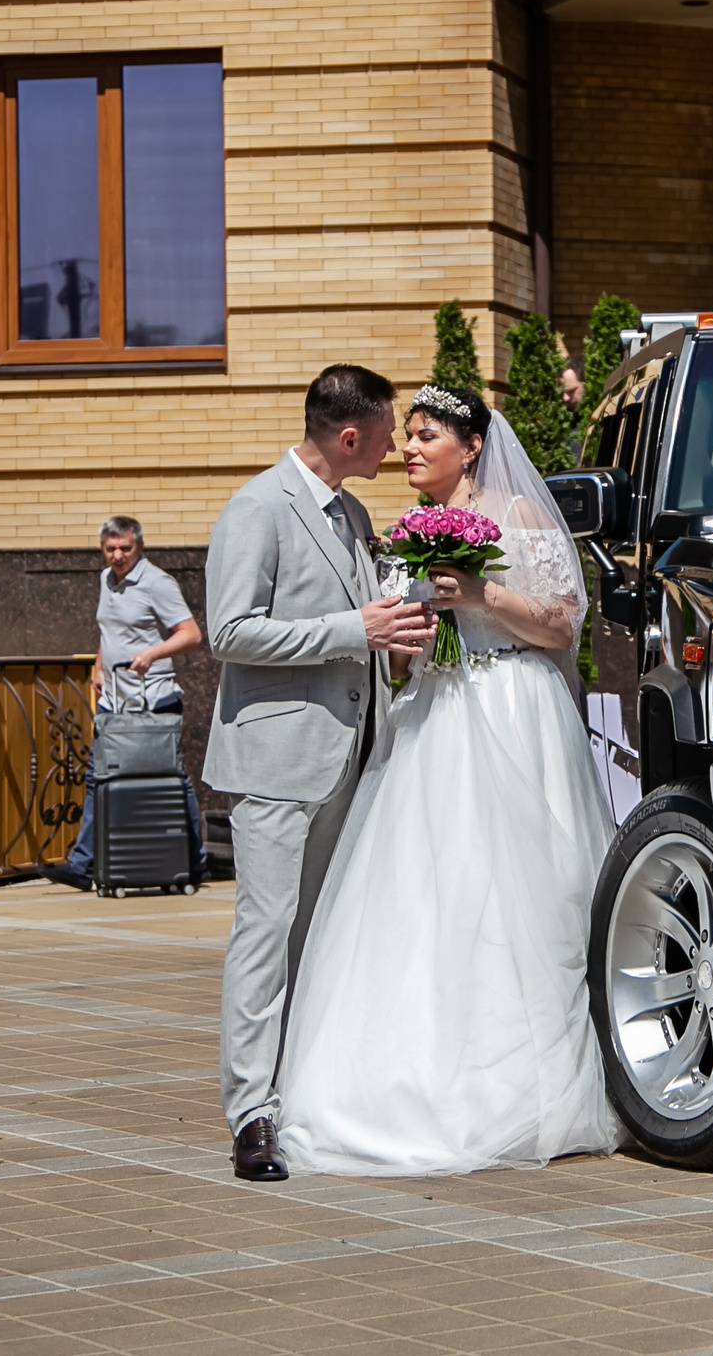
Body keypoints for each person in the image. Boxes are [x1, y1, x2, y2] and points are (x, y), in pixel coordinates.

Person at [273, 383, 625, 1176]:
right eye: (409, 436)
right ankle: (410, 1079)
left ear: (470, 447)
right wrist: (404, 640)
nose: (410, 449)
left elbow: (563, 625)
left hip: (512, 709)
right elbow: (400, 652)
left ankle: (533, 1088)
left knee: (523, 893)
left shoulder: (518, 516)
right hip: (433, 718)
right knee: (426, 891)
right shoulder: (401, 538)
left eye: (427, 435)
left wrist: (480, 593)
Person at [205, 366, 435, 1183]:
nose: (396, 445)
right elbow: (229, 633)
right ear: (350, 435)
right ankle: (251, 1116)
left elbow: (363, 633)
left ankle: (300, 1092)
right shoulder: (257, 507)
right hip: (276, 759)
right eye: (387, 434)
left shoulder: (355, 513)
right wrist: (353, 627)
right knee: (265, 937)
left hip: (348, 753)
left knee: (320, 935)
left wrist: (397, 651)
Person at [41, 516, 206, 890]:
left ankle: (195, 863)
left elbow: (191, 634)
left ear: (140, 548)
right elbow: (110, 631)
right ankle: (84, 864)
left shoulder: (157, 583)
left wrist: (152, 653)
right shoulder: (106, 580)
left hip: (154, 700)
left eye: (125, 549)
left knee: (172, 778)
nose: (117, 556)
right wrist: (99, 667)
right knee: (98, 775)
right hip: (114, 701)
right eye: (110, 548)